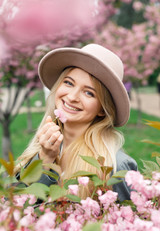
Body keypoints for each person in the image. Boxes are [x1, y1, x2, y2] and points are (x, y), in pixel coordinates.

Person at [16, 44, 137, 201]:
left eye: (89, 93)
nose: (72, 97)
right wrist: (45, 159)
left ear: (102, 109)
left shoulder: (115, 167)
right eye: (68, 83)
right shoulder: (44, 149)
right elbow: (22, 206)